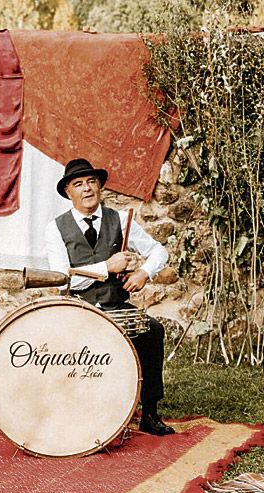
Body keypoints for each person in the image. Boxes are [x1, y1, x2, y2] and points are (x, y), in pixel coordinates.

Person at [43, 158, 175, 435]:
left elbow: (159, 252)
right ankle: (81, 413)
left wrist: (143, 273)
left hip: (117, 307)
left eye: (91, 182)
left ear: (100, 186)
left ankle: (149, 412)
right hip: (79, 309)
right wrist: (106, 267)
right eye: (78, 184)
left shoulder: (121, 220)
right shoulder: (55, 228)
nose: (87, 189)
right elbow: (62, 278)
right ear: (69, 192)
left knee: (153, 332)